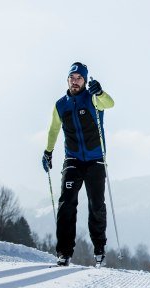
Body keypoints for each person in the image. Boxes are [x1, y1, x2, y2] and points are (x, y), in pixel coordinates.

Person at [42, 62, 114, 267]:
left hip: (95, 159)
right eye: (72, 78)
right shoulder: (60, 105)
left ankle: (99, 248)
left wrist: (100, 91)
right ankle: (64, 252)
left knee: (96, 205)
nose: (75, 81)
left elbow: (110, 103)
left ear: (84, 80)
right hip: (72, 158)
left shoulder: (93, 98)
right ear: (67, 80)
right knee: (67, 202)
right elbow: (53, 130)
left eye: (79, 78)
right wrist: (48, 152)